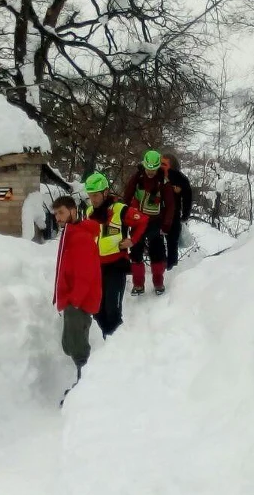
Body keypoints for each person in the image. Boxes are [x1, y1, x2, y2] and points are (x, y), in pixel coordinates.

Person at [51, 196, 102, 401]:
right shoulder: (69, 234)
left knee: (78, 347)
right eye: (55, 214)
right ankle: (84, 385)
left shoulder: (80, 237)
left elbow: (85, 274)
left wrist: (75, 300)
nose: (58, 218)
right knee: (70, 344)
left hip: (78, 301)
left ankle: (85, 390)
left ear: (73, 211)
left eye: (61, 213)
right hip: (72, 300)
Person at [83, 172, 146, 335]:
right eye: (90, 196)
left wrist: (132, 240)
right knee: (97, 310)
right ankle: (105, 346)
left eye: (96, 195)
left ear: (105, 192)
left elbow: (143, 220)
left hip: (116, 266)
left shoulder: (120, 210)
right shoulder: (89, 212)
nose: (93, 199)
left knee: (112, 310)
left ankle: (116, 348)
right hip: (96, 268)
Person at [122, 150, 175, 295]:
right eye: (148, 169)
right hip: (137, 220)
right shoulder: (137, 178)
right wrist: (123, 215)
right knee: (136, 251)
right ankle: (138, 284)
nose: (150, 172)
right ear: (144, 166)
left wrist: (166, 224)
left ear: (158, 167)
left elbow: (170, 205)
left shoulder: (163, 182)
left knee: (157, 252)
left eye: (153, 169)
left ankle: (158, 282)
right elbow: (127, 196)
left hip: (155, 221)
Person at [161, 154, 193, 269]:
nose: (160, 166)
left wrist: (185, 215)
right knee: (157, 243)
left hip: (173, 216)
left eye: (164, 164)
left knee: (172, 243)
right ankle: (159, 267)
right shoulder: (155, 175)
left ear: (172, 166)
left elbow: (187, 198)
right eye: (160, 163)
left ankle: (172, 269)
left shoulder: (180, 179)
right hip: (156, 215)